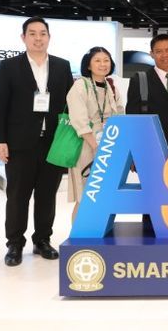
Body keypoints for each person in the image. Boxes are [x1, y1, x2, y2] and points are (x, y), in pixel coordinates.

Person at [0, 16, 73, 267]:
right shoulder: (9, 66)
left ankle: (42, 240)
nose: (38, 38)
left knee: (47, 195)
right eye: (33, 33)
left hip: (53, 142)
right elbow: (0, 105)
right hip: (19, 143)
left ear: (49, 37)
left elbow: (69, 105)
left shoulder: (62, 66)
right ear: (23, 37)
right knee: (18, 195)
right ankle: (15, 244)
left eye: (43, 33)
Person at [66, 47, 124, 221]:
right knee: (85, 195)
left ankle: (99, 232)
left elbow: (120, 114)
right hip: (86, 147)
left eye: (106, 60)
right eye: (97, 60)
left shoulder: (111, 86)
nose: (103, 64)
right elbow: (79, 120)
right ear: (88, 65)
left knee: (104, 195)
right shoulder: (80, 85)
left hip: (108, 146)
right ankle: (79, 234)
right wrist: (96, 146)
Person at [126, 34, 168, 154]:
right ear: (152, 54)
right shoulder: (140, 80)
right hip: (152, 146)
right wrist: (135, 149)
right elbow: (132, 117)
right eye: (159, 51)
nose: (164, 55)